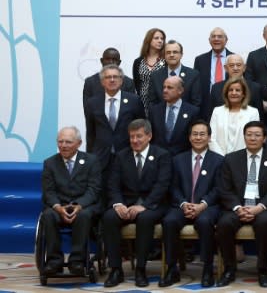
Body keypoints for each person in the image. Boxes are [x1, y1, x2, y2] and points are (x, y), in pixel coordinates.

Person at [102, 119, 171, 288]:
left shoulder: (162, 155)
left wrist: (145, 205)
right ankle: (116, 269)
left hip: (153, 205)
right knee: (109, 217)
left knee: (145, 218)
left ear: (149, 136)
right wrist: (118, 204)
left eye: (139, 136)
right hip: (126, 204)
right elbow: (113, 184)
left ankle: (141, 269)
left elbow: (162, 185)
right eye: (132, 137)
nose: (135, 141)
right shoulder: (120, 156)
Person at [216, 121, 267, 287]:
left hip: (262, 207)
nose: (252, 138)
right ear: (244, 137)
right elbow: (224, 189)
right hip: (238, 206)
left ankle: (262, 270)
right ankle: (229, 269)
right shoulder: (231, 159)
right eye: (249, 134)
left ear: (265, 138)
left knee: (265, 222)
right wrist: (238, 208)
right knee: (224, 223)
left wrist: (258, 208)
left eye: (257, 135)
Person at [159, 120, 224, 288]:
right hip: (182, 205)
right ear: (189, 137)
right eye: (194, 134)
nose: (198, 137)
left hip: (208, 207)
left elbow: (219, 189)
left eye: (202, 134)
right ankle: (172, 268)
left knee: (204, 222)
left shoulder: (219, 160)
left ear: (209, 137)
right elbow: (172, 187)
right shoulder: (178, 159)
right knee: (169, 221)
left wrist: (202, 205)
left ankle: (208, 268)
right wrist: (183, 203)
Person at [40, 126, 102, 277]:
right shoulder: (50, 163)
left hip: (83, 207)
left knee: (84, 215)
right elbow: (48, 192)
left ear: (79, 143)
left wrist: (79, 205)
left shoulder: (91, 161)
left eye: (68, 142)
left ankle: (77, 261)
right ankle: (54, 261)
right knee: (48, 215)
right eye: (60, 141)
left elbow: (93, 189)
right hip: (59, 207)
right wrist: (57, 207)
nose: (63, 145)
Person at [84, 64, 144, 183]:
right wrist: (90, 156)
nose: (112, 80)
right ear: (102, 82)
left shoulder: (134, 100)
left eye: (115, 77)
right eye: (108, 77)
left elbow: (142, 126)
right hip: (100, 156)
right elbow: (91, 132)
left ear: (121, 80)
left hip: (127, 154)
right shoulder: (92, 102)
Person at [148, 76, 200, 156]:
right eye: (164, 87)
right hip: (158, 159)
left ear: (180, 90)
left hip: (182, 159)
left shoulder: (192, 112)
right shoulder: (154, 110)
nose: (165, 90)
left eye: (169, 88)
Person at [209, 77, 261, 155]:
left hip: (242, 158)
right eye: (230, 90)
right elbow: (211, 138)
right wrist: (221, 157)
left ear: (243, 94)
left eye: (237, 90)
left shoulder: (253, 112)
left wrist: (236, 158)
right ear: (226, 93)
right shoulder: (217, 111)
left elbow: (253, 138)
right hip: (219, 158)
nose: (234, 93)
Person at [206, 54, 265, 120]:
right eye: (231, 65)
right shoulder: (216, 88)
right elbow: (210, 115)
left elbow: (260, 116)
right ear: (226, 68)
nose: (235, 68)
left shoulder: (255, 88)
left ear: (244, 68)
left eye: (239, 65)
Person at [148, 40, 203, 108]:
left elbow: (196, 102)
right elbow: (152, 103)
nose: (171, 55)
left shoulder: (193, 75)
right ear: (164, 55)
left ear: (181, 55)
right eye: (168, 52)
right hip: (161, 117)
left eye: (175, 52)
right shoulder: (155, 76)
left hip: (186, 117)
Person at [82, 47, 135, 115]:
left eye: (114, 59)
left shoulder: (129, 83)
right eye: (108, 59)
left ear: (119, 62)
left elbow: (131, 108)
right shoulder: (90, 82)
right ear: (101, 61)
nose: (111, 62)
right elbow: (87, 109)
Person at [193, 27, 233, 115]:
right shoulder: (200, 60)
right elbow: (196, 85)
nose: (216, 39)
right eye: (213, 36)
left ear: (226, 40)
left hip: (230, 103)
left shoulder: (235, 58)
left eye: (219, 36)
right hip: (206, 105)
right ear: (209, 40)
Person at [132, 28, 166, 117]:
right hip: (142, 102)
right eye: (156, 38)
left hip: (160, 101)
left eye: (162, 39)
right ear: (149, 40)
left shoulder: (166, 60)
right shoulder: (138, 61)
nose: (160, 41)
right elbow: (137, 83)